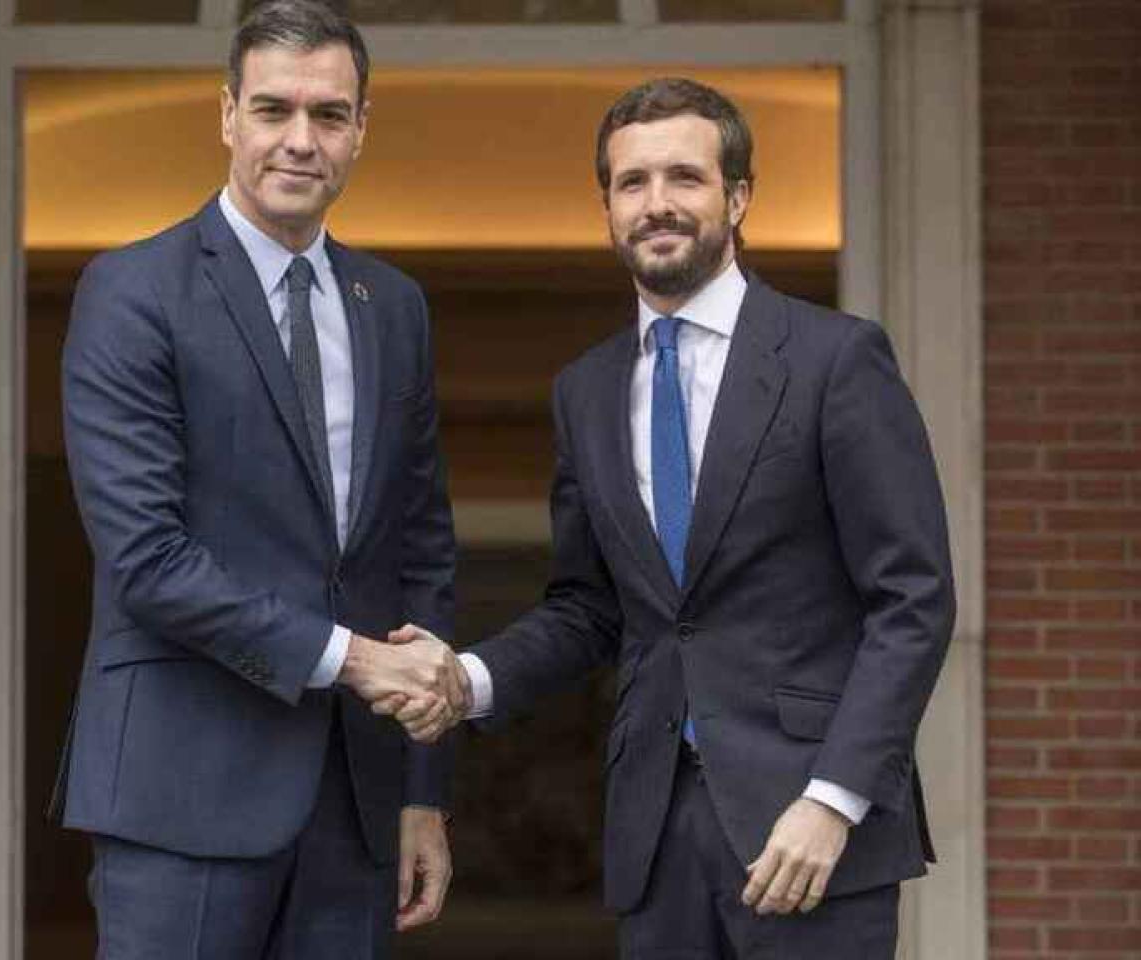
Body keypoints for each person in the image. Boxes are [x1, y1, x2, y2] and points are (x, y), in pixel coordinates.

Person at [387, 77, 954, 958]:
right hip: (653, 835)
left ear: (737, 196)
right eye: (632, 183)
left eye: (684, 178)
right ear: (607, 206)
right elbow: (591, 606)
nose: (658, 204)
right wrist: (467, 678)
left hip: (809, 834)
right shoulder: (587, 389)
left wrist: (835, 797)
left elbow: (913, 599)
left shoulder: (835, 361)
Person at [49, 1, 467, 956]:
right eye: (274, 110)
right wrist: (358, 661)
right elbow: (149, 560)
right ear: (227, 115)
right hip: (180, 790)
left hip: (355, 807)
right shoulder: (132, 292)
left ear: (361, 130)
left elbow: (421, 553)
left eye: (328, 115)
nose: (299, 140)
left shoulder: (392, 307)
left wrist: (420, 792)